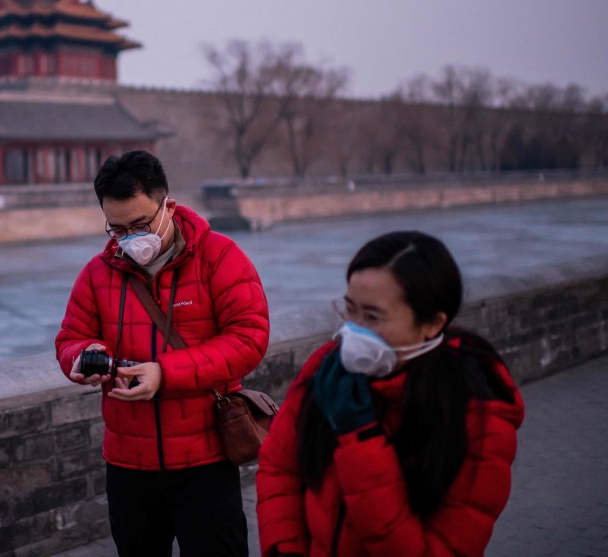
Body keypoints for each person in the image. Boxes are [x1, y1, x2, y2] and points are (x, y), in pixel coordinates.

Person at [256, 231, 525, 557]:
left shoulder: (480, 420)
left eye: (372, 317)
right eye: (350, 310)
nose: (352, 330)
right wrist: (286, 549)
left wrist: (360, 439)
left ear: (432, 324)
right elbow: (280, 467)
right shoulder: (328, 369)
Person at [55, 150, 270, 557]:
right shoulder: (96, 273)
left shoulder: (220, 257)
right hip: (127, 465)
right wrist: (83, 357)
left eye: (140, 225)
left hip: (205, 460)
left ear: (167, 205)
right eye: (116, 229)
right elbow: (70, 339)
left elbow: (249, 338)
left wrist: (164, 373)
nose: (130, 238)